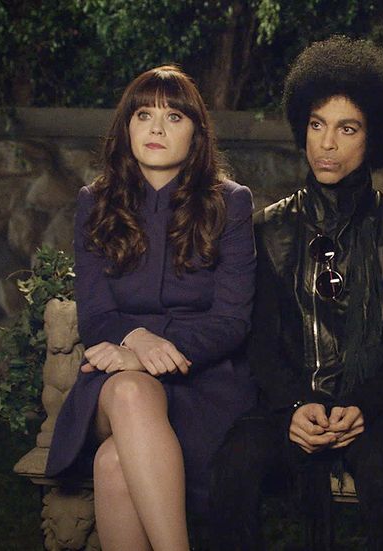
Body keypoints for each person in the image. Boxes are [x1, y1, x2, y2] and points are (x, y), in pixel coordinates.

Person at [209, 36, 383, 550]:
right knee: (235, 462)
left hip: (373, 409)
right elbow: (260, 343)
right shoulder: (268, 230)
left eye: (347, 128)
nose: (327, 144)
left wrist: (362, 404)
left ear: (373, 137)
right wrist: (296, 403)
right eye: (316, 124)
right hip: (288, 404)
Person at [45, 65, 257, 551]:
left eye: (173, 117)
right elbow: (96, 317)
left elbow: (231, 322)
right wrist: (135, 340)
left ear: (197, 134)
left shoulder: (230, 204)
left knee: (114, 464)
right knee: (129, 393)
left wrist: (147, 353)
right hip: (115, 383)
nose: (156, 128)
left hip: (203, 384)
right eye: (143, 115)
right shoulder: (95, 203)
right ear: (126, 127)